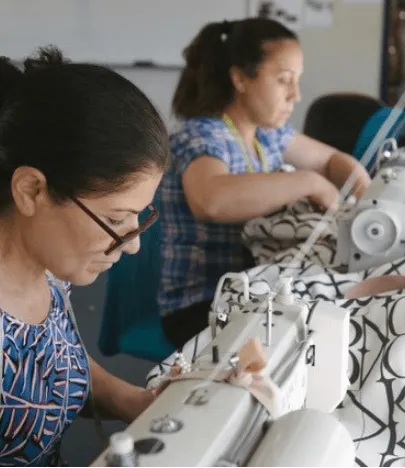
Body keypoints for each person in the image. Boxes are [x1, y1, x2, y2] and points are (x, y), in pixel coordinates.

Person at [0, 47, 169, 467]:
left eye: (138, 218)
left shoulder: (51, 273)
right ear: (32, 191)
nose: (133, 245)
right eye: (116, 218)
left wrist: (132, 400)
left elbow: (51, 359)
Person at [158, 18, 371, 349]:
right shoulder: (202, 134)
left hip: (256, 287)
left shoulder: (267, 134)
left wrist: (363, 194)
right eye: (284, 80)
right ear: (240, 78)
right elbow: (211, 201)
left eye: (297, 81)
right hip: (204, 303)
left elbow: (332, 161)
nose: (296, 95)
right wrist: (307, 182)